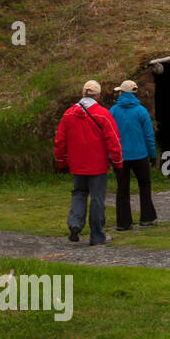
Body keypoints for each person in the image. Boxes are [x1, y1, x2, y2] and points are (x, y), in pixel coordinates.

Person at [54, 79, 123, 246]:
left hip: (77, 164)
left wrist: (61, 162)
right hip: (98, 165)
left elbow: (60, 141)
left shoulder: (68, 114)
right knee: (97, 199)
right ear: (98, 96)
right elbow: (114, 141)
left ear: (82, 93)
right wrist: (118, 162)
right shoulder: (103, 114)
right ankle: (97, 236)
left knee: (78, 194)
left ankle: (75, 223)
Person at [110, 80, 158, 230]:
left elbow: (109, 135)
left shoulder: (113, 111)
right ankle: (147, 218)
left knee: (122, 189)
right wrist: (153, 154)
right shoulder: (141, 111)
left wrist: (110, 156)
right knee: (144, 186)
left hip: (120, 157)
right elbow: (149, 135)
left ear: (121, 93)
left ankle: (123, 223)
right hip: (140, 155)